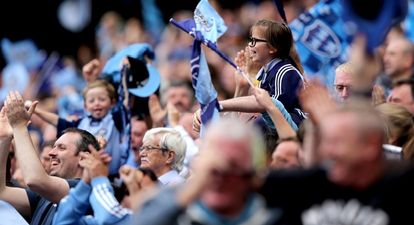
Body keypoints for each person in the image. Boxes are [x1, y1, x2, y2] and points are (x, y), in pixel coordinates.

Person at [260, 101, 414, 225]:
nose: (327, 151)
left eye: (336, 142)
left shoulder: (398, 193)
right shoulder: (307, 186)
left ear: (371, 145)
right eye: (324, 143)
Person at [127, 118, 280, 225]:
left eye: (233, 166)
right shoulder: (174, 206)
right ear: (199, 165)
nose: (220, 178)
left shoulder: (273, 215)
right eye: (212, 168)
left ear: (253, 173)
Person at [0, 92, 101, 225]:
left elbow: (36, 180)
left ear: (83, 158)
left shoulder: (90, 190)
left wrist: (19, 127)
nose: (51, 153)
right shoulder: (41, 197)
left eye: (61, 148)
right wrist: (4, 137)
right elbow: (1, 192)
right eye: (53, 147)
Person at [218, 19, 306, 128]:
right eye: (250, 40)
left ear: (273, 47)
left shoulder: (285, 72)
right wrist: (241, 86)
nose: (250, 45)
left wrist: (219, 106)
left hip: (296, 128)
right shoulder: (264, 74)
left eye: (255, 40)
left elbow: (274, 110)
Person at [32, 79, 129, 175]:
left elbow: (126, 101)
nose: (97, 103)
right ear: (85, 106)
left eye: (102, 99)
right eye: (91, 101)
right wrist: (36, 111)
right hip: (84, 174)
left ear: (112, 103)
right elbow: (58, 121)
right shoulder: (81, 123)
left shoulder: (117, 119)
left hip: (113, 175)